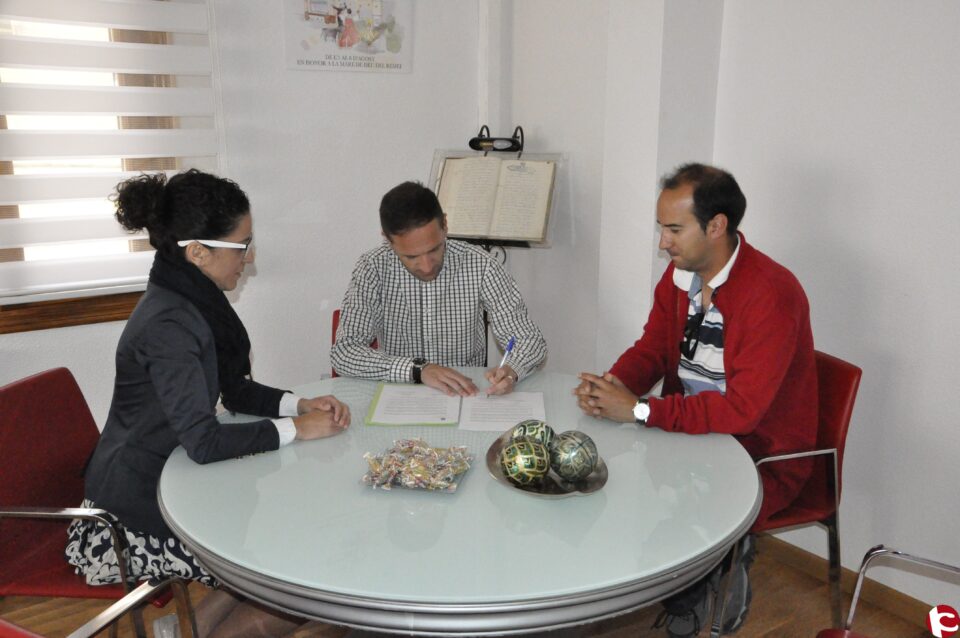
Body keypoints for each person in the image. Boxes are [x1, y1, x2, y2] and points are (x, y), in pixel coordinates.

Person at [65, 169, 351, 638]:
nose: (250, 256)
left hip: (162, 476)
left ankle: (180, 631)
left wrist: (296, 405)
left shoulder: (188, 296)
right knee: (301, 577)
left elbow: (233, 389)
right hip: (128, 518)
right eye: (242, 246)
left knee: (276, 546)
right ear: (197, 251)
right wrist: (297, 431)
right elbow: (202, 440)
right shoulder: (170, 324)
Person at [574, 163, 817, 637]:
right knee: (605, 473)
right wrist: (614, 385)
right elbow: (651, 348)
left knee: (672, 526)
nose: (663, 241)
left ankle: (715, 571)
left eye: (673, 229)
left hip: (760, 452)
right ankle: (704, 569)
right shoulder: (680, 276)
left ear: (716, 226)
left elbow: (744, 412)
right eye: (661, 228)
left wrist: (643, 410)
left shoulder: (770, 292)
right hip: (696, 435)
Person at [331, 181, 547, 396]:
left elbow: (530, 341)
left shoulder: (480, 265)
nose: (426, 266)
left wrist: (511, 371)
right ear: (387, 240)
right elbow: (344, 352)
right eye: (411, 256)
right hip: (399, 395)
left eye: (434, 249)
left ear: (445, 225)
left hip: (465, 394)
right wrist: (418, 370)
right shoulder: (373, 268)